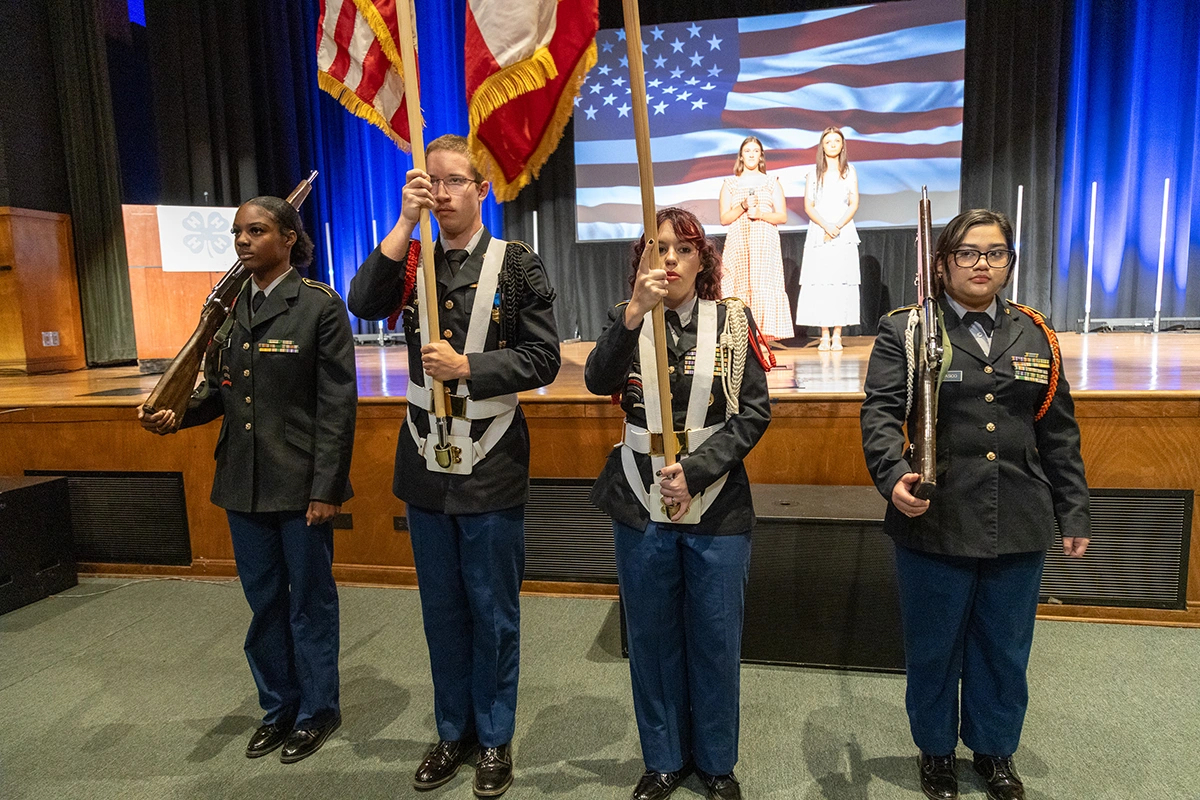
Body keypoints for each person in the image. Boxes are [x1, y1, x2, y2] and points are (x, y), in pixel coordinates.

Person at [347, 134, 559, 798]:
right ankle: (452, 730)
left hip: (491, 459)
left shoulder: (517, 265)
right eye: (429, 182)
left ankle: (494, 738)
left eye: (453, 182)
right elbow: (361, 301)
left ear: (481, 189)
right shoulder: (412, 261)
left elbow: (544, 359)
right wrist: (404, 222)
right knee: (441, 609)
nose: (440, 192)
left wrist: (471, 367)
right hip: (424, 460)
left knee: (492, 608)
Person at [860, 209, 1090, 800]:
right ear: (942, 262)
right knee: (934, 647)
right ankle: (936, 752)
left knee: (1004, 648)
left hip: (1019, 517)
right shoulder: (908, 329)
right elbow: (882, 414)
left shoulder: (1036, 332)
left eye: (996, 252)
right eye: (968, 252)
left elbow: (1057, 432)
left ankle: (994, 752)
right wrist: (894, 477)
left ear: (1010, 261)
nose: (982, 264)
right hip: (935, 516)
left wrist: (1074, 511)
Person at [140, 196, 357, 764]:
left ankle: (317, 712)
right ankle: (278, 707)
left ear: (288, 238)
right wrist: (177, 414)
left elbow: (337, 406)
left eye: (257, 230)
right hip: (242, 482)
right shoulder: (228, 307)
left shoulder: (318, 307)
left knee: (309, 602)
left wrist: (326, 487)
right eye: (238, 231)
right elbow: (220, 392)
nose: (243, 240)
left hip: (300, 482)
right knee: (264, 604)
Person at [586, 207, 772, 800]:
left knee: (715, 637)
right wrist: (635, 313)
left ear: (703, 259)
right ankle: (663, 758)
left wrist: (695, 471)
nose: (670, 259)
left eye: (683, 249)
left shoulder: (733, 323)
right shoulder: (628, 319)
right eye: (657, 248)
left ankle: (716, 763)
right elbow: (595, 379)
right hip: (639, 500)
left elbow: (753, 415)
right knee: (652, 636)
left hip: (716, 505)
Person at [718, 136, 794, 344]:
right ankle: (741, 337)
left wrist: (760, 213)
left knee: (762, 284)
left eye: (755, 151)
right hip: (738, 241)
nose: (751, 154)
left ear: (761, 156)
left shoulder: (772, 182)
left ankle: (761, 339)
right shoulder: (730, 184)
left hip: (764, 240)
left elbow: (782, 216)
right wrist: (742, 206)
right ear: (741, 156)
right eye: (747, 151)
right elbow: (724, 218)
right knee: (738, 285)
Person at [795, 127, 861, 350]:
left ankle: (838, 334)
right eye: (828, 141)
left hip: (844, 231)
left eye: (836, 141)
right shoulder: (813, 174)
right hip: (818, 231)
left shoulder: (850, 171)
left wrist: (837, 226)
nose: (832, 144)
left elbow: (853, 203)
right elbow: (808, 206)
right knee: (821, 281)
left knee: (842, 281)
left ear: (842, 145)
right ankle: (824, 333)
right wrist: (826, 225)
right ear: (822, 145)